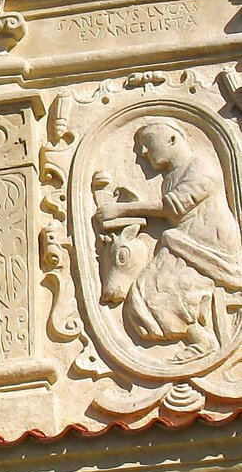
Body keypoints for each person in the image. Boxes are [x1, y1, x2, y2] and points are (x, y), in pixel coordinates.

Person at [97, 120, 242, 357]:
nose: (143, 153)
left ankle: (203, 341)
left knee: (152, 292)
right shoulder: (171, 177)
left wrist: (123, 210)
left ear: (172, 139)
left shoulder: (201, 167)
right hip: (184, 241)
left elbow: (174, 208)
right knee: (143, 295)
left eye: (148, 143)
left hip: (210, 246)